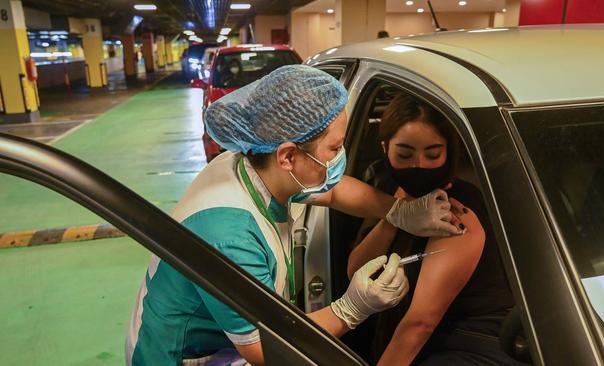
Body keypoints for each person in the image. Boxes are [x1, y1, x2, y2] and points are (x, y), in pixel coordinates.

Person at [125, 66, 463, 366]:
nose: (340, 157)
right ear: (288, 156)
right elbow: (265, 349)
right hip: (184, 354)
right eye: (334, 148)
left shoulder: (259, 164)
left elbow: (333, 190)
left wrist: (399, 211)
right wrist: (352, 307)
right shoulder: (229, 235)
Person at [347, 93, 518, 365]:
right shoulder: (389, 195)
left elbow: (419, 325)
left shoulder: (456, 210)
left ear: (449, 152)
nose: (419, 165)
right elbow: (356, 270)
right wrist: (395, 215)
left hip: (472, 342)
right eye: (404, 154)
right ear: (384, 148)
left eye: (432, 153)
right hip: (426, 338)